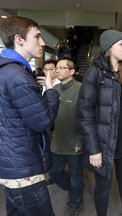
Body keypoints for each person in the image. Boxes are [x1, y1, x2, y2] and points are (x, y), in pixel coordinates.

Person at [0, 16, 59, 216]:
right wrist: (51, 91)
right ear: (19, 39)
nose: (43, 42)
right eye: (37, 36)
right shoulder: (16, 75)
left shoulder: (7, 71)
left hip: (11, 165)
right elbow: (43, 121)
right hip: (23, 169)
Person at [78, 30, 122, 216]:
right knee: (103, 187)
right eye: (121, 44)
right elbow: (85, 114)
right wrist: (93, 149)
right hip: (102, 143)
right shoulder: (94, 74)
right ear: (109, 48)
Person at [48, 57, 84, 216]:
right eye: (56, 68)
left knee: (76, 177)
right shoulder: (54, 89)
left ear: (72, 71)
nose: (57, 70)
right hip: (57, 142)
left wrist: (81, 141)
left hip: (74, 143)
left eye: (62, 68)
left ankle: (76, 203)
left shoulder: (81, 89)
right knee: (53, 172)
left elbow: (86, 118)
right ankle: (74, 188)